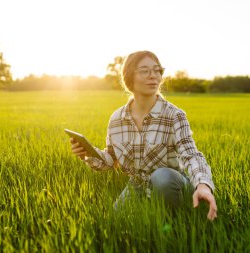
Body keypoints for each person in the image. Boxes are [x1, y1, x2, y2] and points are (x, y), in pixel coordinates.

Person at [70, 50, 217, 220]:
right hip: (138, 186)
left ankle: (174, 221)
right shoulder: (117, 119)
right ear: (129, 78)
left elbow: (191, 154)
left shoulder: (174, 115)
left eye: (157, 70)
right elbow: (112, 160)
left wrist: (203, 185)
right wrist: (88, 154)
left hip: (172, 182)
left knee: (162, 177)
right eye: (145, 71)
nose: (153, 76)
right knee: (115, 222)